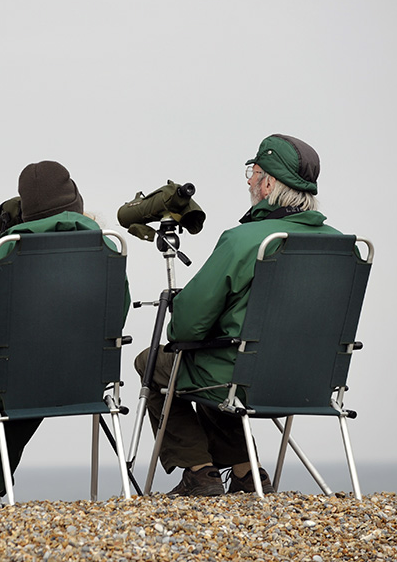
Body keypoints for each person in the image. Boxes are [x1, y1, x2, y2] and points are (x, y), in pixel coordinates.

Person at [135, 134, 341, 497]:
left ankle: (199, 472)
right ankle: (246, 473)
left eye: (254, 172)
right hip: (313, 380)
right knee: (222, 359)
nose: (248, 180)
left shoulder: (244, 240)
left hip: (244, 377)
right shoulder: (339, 245)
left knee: (158, 362)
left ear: (268, 183)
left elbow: (185, 327)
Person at [0, 160, 130, 509]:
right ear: (75, 202)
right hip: (85, 381)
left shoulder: (3, 251)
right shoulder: (108, 248)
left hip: (15, 383)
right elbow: (118, 315)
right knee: (21, 388)